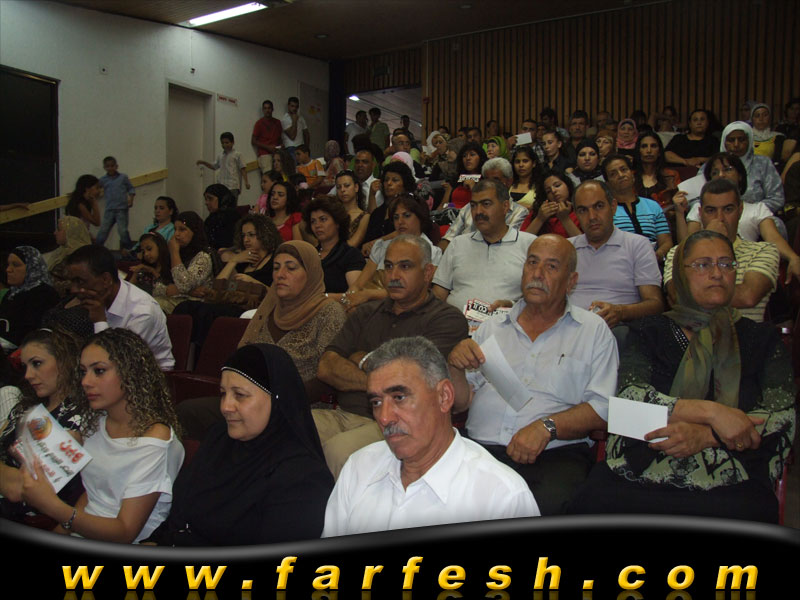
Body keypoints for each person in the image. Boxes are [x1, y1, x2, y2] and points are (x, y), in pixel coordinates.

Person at [569, 230, 796, 523]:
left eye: (726, 264)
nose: (717, 273)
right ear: (679, 275)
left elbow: (781, 415)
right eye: (703, 264)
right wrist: (712, 413)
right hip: (643, 465)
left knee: (747, 512)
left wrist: (708, 436)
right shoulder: (648, 331)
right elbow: (628, 405)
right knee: (591, 500)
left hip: (734, 475)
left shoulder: (761, 339)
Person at [448, 235, 617, 515]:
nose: (538, 274)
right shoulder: (492, 327)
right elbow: (460, 403)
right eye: (532, 263)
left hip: (553, 456)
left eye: (551, 266)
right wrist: (455, 366)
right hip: (479, 450)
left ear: (571, 281)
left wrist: (547, 427)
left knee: (540, 509)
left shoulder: (592, 331)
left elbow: (603, 408)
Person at [322, 336, 539, 536]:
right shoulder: (359, 467)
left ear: (444, 396)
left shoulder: (501, 497)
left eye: (399, 397)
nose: (385, 417)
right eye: (376, 402)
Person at [146, 344, 334, 545]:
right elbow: (179, 516)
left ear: (277, 398)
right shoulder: (219, 439)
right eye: (223, 393)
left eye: (240, 395)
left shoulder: (302, 478)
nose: (225, 406)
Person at [315, 235, 469, 478]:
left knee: (338, 451)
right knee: (285, 428)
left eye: (405, 266)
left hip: (399, 423)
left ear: (428, 273)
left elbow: (413, 382)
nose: (394, 275)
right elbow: (326, 367)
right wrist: (381, 383)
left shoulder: (446, 319)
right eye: (388, 266)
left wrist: (361, 360)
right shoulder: (365, 313)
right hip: (343, 413)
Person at [20, 328, 184, 543]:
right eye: (83, 371)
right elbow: (93, 496)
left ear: (130, 373)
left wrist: (53, 507)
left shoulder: (155, 441)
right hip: (83, 532)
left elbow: (125, 532)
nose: (86, 381)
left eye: (99, 371)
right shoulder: (96, 422)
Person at [664, 178, 778, 323]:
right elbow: (676, 295)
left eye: (728, 209)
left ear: (740, 211)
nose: (720, 218)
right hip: (693, 335)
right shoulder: (677, 252)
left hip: (746, 334)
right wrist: (709, 243)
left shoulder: (763, 250)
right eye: (711, 210)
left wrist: (692, 294)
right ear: (700, 213)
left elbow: (748, 296)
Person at [0, 326, 84, 522]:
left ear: (65, 361)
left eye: (37, 363)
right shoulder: (25, 407)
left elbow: (21, 488)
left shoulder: (76, 417)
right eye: (25, 366)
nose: (28, 375)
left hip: (27, 520)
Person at [677, 154, 800, 283]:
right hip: (704, 266)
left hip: (745, 265)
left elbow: (773, 237)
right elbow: (687, 245)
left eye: (727, 169)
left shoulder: (757, 209)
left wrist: (793, 258)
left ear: (740, 175)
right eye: (715, 172)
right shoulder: (700, 208)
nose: (721, 175)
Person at [238, 241, 346, 383]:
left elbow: (329, 375)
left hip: (304, 396)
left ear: (311, 273)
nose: (280, 275)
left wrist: (280, 394)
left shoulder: (329, 313)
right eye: (276, 268)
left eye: (291, 268)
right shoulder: (269, 308)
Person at [173, 214, 281, 349]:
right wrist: (234, 261)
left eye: (251, 235)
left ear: (264, 234)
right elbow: (217, 286)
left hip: (250, 307)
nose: (246, 240)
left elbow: (276, 294)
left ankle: (202, 354)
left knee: (205, 313)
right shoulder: (243, 260)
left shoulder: (274, 260)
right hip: (231, 301)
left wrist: (253, 281)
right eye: (243, 235)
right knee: (185, 307)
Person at [568, 181, 665, 329]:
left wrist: (620, 312)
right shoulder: (566, 248)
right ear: (576, 214)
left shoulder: (637, 245)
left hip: (618, 329)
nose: (592, 216)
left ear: (613, 207)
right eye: (583, 210)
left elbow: (655, 304)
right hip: (567, 327)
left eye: (599, 206)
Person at [64, 245, 175, 370]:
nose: (74, 289)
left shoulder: (142, 312)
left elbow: (117, 364)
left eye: (80, 281)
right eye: (72, 282)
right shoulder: (96, 299)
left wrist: (99, 321)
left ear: (106, 280)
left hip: (146, 375)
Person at [433, 179, 536, 313]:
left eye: (486, 204)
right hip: (457, 321)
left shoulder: (529, 244)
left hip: (506, 321)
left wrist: (513, 305)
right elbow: (439, 294)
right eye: (473, 205)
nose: (478, 212)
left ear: (505, 206)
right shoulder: (458, 243)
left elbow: (541, 297)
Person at [348, 195, 442, 310]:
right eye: (396, 217)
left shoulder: (433, 252)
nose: (400, 222)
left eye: (406, 216)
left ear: (420, 217)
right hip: (368, 305)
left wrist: (369, 294)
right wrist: (349, 299)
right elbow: (358, 285)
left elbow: (417, 293)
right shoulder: (382, 247)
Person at [439, 157, 530, 251]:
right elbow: (448, 239)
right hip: (462, 254)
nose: (490, 185)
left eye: (496, 180)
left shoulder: (519, 212)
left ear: (509, 182)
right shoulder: (469, 207)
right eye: (487, 180)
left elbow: (509, 246)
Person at [604, 154, 673, 261]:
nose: (620, 175)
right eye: (613, 174)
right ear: (607, 183)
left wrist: (657, 255)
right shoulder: (605, 211)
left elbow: (666, 241)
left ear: (632, 175)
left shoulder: (653, 206)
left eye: (624, 170)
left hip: (653, 261)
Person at [152, 211, 215, 314]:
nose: (176, 234)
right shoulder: (174, 253)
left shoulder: (203, 256)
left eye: (182, 229)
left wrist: (174, 253)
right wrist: (187, 292)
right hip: (174, 303)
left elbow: (184, 285)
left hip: (194, 309)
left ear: (194, 232)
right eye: (175, 229)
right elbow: (156, 287)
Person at [719, 121, 785, 215]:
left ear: (749, 141)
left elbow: (777, 198)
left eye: (741, 139)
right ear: (724, 142)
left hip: (757, 217)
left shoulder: (763, 163)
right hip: (718, 216)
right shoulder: (713, 165)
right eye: (731, 140)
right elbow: (698, 199)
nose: (736, 144)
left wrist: (749, 212)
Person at [303, 196, 365, 296]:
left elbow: (355, 295)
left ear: (337, 222)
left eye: (323, 219)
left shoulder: (351, 255)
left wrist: (324, 298)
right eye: (313, 221)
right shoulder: (309, 254)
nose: (317, 225)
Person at [0, 246, 60, 348]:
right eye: (8, 264)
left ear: (32, 267)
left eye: (16, 265)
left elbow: (33, 331)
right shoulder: (11, 293)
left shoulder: (44, 294)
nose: (8, 270)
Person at [522, 169, 582, 238]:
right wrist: (539, 219)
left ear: (568, 185)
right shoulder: (538, 213)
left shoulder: (580, 210)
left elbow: (585, 243)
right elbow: (522, 241)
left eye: (557, 185)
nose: (553, 191)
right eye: (548, 191)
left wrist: (565, 219)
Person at [95, 156, 136, 250]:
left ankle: (129, 250)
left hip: (122, 209)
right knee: (103, 230)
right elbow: (95, 188)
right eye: (108, 166)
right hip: (109, 209)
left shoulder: (123, 177)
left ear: (116, 166)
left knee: (122, 231)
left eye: (112, 166)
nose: (110, 168)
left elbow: (131, 188)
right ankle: (96, 250)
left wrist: (131, 199)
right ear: (104, 167)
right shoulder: (103, 180)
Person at [44, 216, 93, 295]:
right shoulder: (60, 252)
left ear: (70, 232)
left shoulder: (79, 257)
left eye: (59, 230)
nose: (55, 233)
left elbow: (78, 284)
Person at [633, 132, 681, 209]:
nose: (649, 150)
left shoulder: (672, 175)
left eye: (653, 146)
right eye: (644, 146)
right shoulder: (629, 177)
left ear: (659, 152)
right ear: (638, 151)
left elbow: (681, 204)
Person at [196, 132, 249, 200]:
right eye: (222, 143)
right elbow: (214, 166)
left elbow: (243, 168)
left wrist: (246, 182)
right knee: (221, 204)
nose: (224, 145)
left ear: (233, 142)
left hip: (233, 186)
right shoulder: (220, 156)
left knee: (231, 205)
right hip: (221, 186)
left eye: (227, 142)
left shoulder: (237, 155)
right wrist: (203, 162)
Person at [438, 142, 488, 210]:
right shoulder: (456, 179)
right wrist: (451, 205)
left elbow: (485, 206)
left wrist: (473, 188)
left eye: (472, 155)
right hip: (452, 213)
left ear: (480, 157)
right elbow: (443, 205)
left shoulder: (486, 179)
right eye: (464, 156)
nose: (468, 158)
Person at [127, 232, 173, 296]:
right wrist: (135, 274)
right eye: (143, 251)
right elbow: (128, 290)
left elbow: (168, 289)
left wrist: (152, 271)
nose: (146, 254)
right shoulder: (143, 268)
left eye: (149, 249)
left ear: (160, 246)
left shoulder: (171, 265)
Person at [333, 170, 369, 248]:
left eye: (347, 185)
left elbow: (353, 244)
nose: (342, 190)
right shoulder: (332, 214)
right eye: (339, 187)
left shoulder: (364, 216)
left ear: (356, 187)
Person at [202, 184, 240, 251]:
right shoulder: (210, 219)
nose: (206, 203)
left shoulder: (233, 218)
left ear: (222, 199)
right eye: (206, 199)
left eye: (210, 199)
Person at [251, 99, 282, 173]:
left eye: (269, 108)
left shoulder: (277, 122)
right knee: (268, 175)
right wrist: (268, 147)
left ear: (272, 109)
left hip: (276, 153)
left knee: (278, 175)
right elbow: (253, 141)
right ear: (263, 110)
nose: (267, 110)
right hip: (264, 154)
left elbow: (280, 138)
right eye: (265, 108)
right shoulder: (259, 123)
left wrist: (281, 146)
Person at [281, 96, 310, 162]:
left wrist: (306, 148)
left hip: (301, 147)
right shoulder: (285, 119)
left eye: (296, 107)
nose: (294, 108)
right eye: (292, 106)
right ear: (288, 106)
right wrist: (294, 120)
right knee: (294, 167)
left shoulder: (301, 118)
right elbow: (292, 136)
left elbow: (306, 133)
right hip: (290, 148)